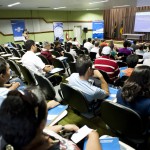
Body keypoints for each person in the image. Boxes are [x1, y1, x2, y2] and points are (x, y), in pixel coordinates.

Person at [0, 87, 101, 150]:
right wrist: (93, 136)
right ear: (41, 122)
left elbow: (44, 131)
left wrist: (63, 127)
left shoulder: (14, 138)